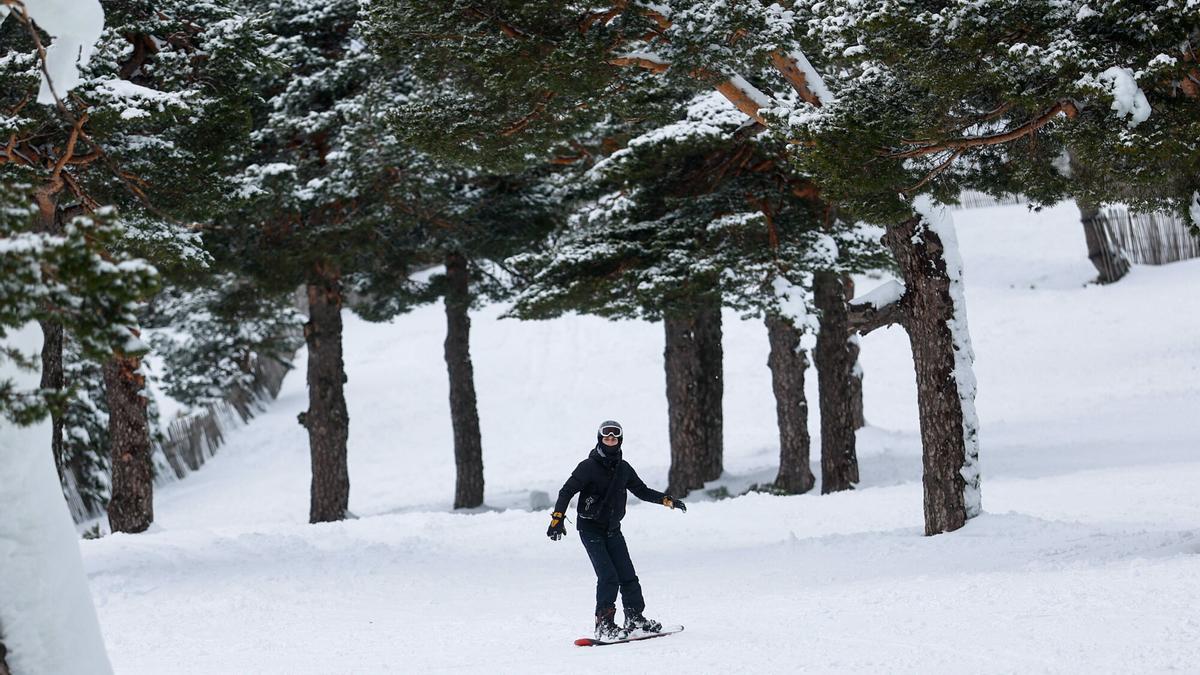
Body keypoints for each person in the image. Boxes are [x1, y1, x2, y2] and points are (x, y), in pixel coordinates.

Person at [547, 419, 687, 640]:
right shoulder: (588, 467)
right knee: (608, 577)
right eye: (606, 437)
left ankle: (634, 618)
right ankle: (604, 624)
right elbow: (567, 491)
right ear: (600, 440)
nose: (610, 441)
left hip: (613, 529)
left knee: (628, 576)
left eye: (614, 438)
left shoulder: (623, 468)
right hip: (591, 529)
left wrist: (666, 500)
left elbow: (641, 490)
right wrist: (557, 518)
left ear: (619, 440)